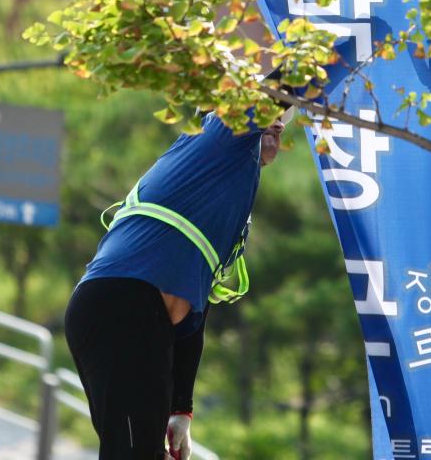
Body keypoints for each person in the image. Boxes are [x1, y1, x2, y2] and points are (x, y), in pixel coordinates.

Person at [64, 109, 286, 460]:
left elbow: (194, 310)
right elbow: (277, 84)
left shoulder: (227, 188)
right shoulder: (217, 133)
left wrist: (180, 409)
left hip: (147, 320)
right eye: (273, 113)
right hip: (121, 307)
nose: (278, 123)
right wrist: (326, 59)